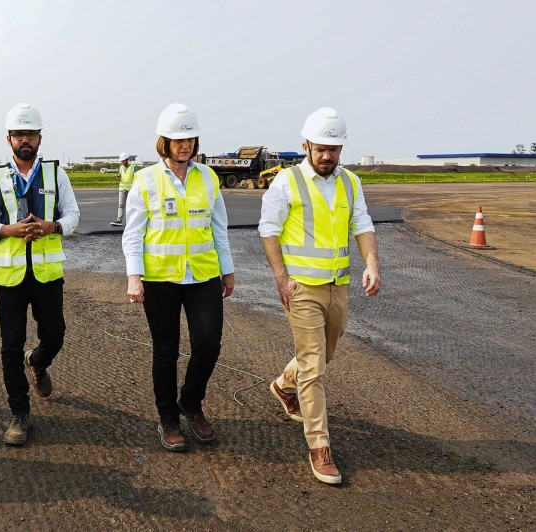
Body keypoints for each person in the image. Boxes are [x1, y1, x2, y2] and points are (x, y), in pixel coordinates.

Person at [259, 107, 381, 485]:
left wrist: (371, 263)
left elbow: (361, 223)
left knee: (324, 354)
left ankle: (283, 384)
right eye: (321, 148)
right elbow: (268, 229)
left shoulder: (350, 182)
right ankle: (319, 446)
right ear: (306, 146)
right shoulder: (286, 182)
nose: (328, 155)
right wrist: (282, 279)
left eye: (335, 149)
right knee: (314, 367)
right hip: (302, 289)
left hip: (338, 286)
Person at [123, 103, 235, 452]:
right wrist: (134, 276)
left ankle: (191, 401)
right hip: (160, 279)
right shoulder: (145, 180)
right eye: (177, 139)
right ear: (165, 142)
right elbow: (133, 233)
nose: (185, 144)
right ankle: (168, 418)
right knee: (166, 351)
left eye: (189, 138)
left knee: (208, 345)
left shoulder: (208, 177)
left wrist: (227, 269)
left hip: (202, 275)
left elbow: (219, 228)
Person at [0, 103, 81, 445]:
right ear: (8, 138)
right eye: (19, 134)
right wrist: (9, 231)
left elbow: (73, 216)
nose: (25, 140)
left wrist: (53, 226)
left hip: (47, 273)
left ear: (40, 138)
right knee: (10, 346)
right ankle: (19, 414)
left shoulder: (55, 174)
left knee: (55, 335)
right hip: (9, 277)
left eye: (31, 134)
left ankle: (37, 362)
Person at [110, 152, 137, 226]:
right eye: (121, 161)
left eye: (124, 161)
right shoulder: (121, 167)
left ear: (127, 159)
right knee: (121, 205)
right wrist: (118, 177)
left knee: (131, 206)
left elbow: (137, 178)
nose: (122, 162)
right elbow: (120, 176)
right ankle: (119, 221)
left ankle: (132, 221)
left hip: (131, 190)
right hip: (122, 189)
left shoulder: (133, 167)